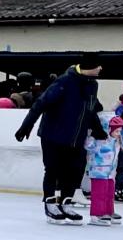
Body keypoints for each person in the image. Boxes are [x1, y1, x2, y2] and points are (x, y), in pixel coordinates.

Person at [17, 57, 107, 224]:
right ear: (89, 66)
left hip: (76, 137)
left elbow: (91, 108)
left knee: (73, 171)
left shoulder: (92, 85)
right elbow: (41, 103)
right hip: (53, 134)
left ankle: (66, 204)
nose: (101, 68)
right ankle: (50, 203)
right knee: (53, 169)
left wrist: (98, 129)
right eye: (98, 65)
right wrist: (26, 126)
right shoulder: (65, 81)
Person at [85, 117, 123, 226]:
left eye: (120, 131)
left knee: (109, 193)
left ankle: (108, 211)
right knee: (99, 193)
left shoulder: (116, 141)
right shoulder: (99, 139)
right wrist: (93, 136)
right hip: (98, 171)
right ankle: (96, 214)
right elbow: (88, 146)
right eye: (116, 131)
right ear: (108, 129)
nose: (118, 133)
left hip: (110, 173)